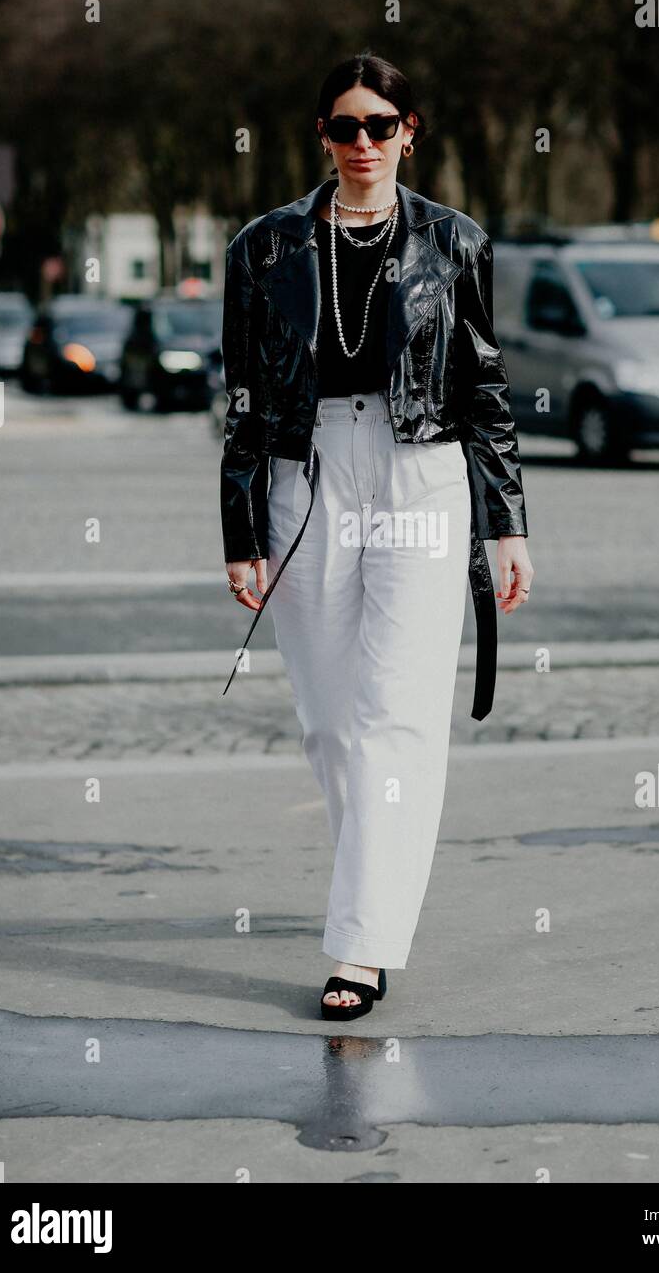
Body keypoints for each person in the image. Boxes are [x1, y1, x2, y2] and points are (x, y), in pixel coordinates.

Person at [219, 53, 533, 1020]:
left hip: (421, 471)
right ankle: (377, 885)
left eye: (381, 124)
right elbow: (238, 396)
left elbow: (484, 388)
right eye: (345, 126)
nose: (364, 143)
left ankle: (361, 946)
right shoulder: (264, 248)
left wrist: (505, 522)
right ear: (322, 136)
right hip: (303, 474)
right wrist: (240, 526)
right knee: (328, 722)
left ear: (410, 131)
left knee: (395, 715)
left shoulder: (455, 241)